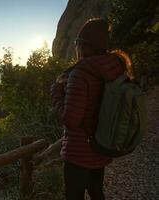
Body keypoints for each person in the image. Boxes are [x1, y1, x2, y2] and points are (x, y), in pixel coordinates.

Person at [51, 18, 133, 200]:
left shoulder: (80, 74)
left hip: (79, 151)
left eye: (77, 43)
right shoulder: (115, 68)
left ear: (85, 46)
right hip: (102, 144)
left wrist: (56, 93)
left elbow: (71, 120)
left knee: (74, 196)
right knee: (97, 192)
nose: (76, 48)